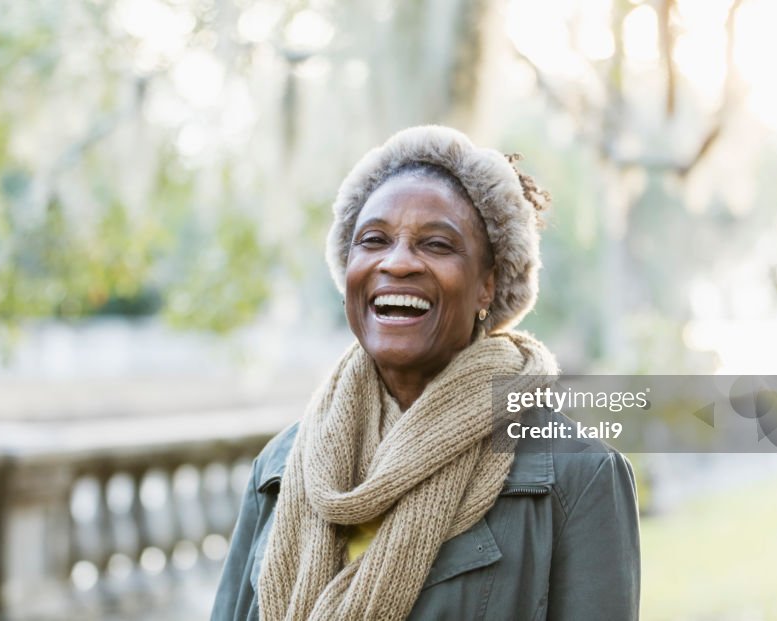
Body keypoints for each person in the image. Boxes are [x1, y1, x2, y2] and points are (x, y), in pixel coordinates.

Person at [210, 126, 640, 620]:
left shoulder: (575, 475)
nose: (397, 262)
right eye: (373, 240)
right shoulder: (282, 469)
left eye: (436, 244)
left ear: (487, 286)